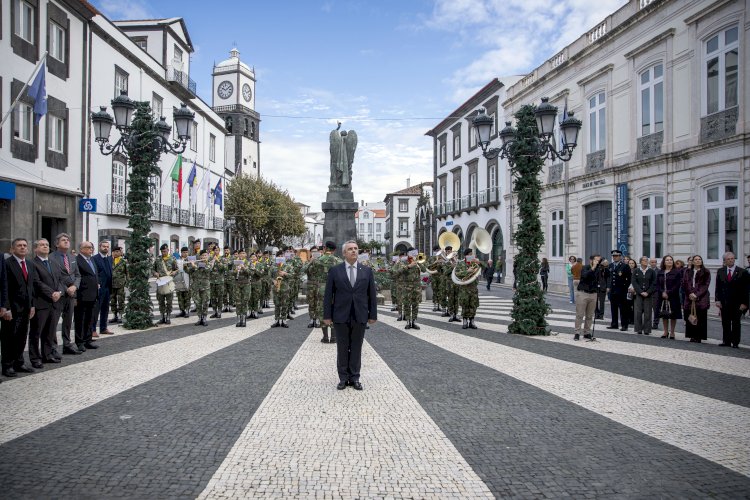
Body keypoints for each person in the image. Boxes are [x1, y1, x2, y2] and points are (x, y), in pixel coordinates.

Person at [323, 240, 377, 391]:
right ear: (344, 253)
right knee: (342, 347)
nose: (354, 251)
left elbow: (371, 294)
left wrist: (372, 315)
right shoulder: (335, 270)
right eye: (350, 249)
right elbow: (328, 295)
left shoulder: (366, 271)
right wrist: (327, 315)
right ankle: (343, 378)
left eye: (355, 248)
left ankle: (355, 377)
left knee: (356, 347)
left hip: (359, 315)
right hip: (340, 315)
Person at [1, 238, 37, 377]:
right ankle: (7, 365)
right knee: (8, 337)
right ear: (12, 249)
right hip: (12, 308)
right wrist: (6, 307)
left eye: (24, 245)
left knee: (22, 337)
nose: (22, 248)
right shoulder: (6, 264)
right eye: (19, 246)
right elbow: (5, 287)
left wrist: (32, 305)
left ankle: (19, 362)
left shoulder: (29, 264)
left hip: (26, 307)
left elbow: (31, 286)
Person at [29, 239, 65, 367]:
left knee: (50, 331)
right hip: (41, 302)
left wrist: (59, 292)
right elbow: (36, 282)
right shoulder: (32, 263)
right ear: (35, 249)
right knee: (36, 332)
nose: (45, 246)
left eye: (47, 245)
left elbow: (61, 280)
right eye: (42, 245)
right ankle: (35, 358)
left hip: (55, 303)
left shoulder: (54, 262)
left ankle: (47, 354)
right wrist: (52, 293)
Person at [52, 233, 82, 355]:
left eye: (68, 240)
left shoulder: (72, 257)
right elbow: (55, 277)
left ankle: (67, 344)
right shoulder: (51, 258)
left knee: (68, 321)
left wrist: (75, 286)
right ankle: (53, 347)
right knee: (53, 322)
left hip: (71, 294)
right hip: (59, 294)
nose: (66, 242)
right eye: (63, 240)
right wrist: (65, 289)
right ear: (57, 243)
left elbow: (77, 275)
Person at [714, 251, 748, 348]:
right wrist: (717, 300)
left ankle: (735, 342)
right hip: (724, 302)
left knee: (736, 322)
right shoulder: (721, 271)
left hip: (737, 302)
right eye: (728, 259)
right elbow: (718, 287)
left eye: (732, 258)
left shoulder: (742, 272)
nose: (731, 260)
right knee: (725, 322)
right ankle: (726, 341)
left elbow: (746, 289)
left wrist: (745, 303)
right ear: (725, 261)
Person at [74, 242, 100, 351]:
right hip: (82, 294)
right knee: (80, 319)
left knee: (90, 318)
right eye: (88, 248)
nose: (91, 249)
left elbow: (94, 274)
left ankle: (88, 339)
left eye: (92, 247)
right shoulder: (77, 260)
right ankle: (80, 342)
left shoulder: (91, 260)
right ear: (81, 249)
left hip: (93, 294)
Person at [682, 255, 710, 343]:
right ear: (693, 261)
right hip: (689, 297)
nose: (698, 261)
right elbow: (685, 283)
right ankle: (692, 335)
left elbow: (705, 285)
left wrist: (696, 294)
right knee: (690, 316)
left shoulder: (706, 272)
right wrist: (690, 293)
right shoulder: (687, 271)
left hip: (701, 298)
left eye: (699, 259)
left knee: (700, 316)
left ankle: (699, 336)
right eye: (696, 259)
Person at [574, 254, 601, 341]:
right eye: (596, 260)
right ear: (591, 260)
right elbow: (585, 276)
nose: (598, 262)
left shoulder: (599, 269)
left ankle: (587, 332)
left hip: (593, 294)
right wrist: (593, 268)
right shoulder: (585, 267)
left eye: (599, 260)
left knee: (589, 315)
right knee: (580, 314)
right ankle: (577, 332)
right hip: (583, 293)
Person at [656, 255, 683, 339]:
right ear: (664, 262)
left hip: (673, 296)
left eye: (671, 260)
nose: (669, 261)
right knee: (664, 314)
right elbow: (657, 284)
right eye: (667, 260)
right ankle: (665, 331)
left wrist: (668, 292)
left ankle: (672, 332)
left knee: (673, 315)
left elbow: (677, 284)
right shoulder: (660, 272)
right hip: (662, 296)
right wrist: (662, 292)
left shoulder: (677, 272)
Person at [91, 240, 114, 337]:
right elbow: (94, 272)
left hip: (108, 287)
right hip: (99, 287)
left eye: (107, 246)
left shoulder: (109, 258)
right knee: (96, 309)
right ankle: (92, 329)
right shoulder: (95, 258)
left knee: (105, 308)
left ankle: (103, 328)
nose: (105, 248)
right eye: (104, 246)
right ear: (100, 247)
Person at [455, 248, 482, 329]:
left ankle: (472, 321)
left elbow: (485, 266)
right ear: (465, 255)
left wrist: (479, 262)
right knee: (465, 304)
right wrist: (468, 271)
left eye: (472, 254)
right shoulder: (460, 264)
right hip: (464, 288)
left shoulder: (475, 263)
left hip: (473, 287)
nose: (471, 255)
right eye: (469, 254)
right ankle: (465, 320)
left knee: (473, 305)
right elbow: (457, 274)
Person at [630, 256, 657, 335]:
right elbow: (634, 282)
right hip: (639, 294)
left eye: (646, 260)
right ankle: (638, 329)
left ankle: (647, 329)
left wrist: (648, 292)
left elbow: (654, 283)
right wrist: (640, 291)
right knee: (638, 312)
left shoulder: (651, 271)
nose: (646, 261)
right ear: (641, 262)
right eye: (644, 260)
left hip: (648, 294)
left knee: (648, 312)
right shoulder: (636, 271)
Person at [153, 243, 178, 324]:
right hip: (160, 283)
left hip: (169, 283)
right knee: (160, 301)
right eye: (162, 251)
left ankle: (168, 316)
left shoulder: (173, 258)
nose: (164, 253)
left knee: (169, 301)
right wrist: (155, 273)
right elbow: (152, 269)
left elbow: (177, 269)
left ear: (168, 250)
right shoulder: (157, 259)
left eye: (165, 251)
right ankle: (162, 317)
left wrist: (174, 272)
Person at [607, 250, 631, 331]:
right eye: (613, 256)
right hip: (612, 290)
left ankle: (624, 325)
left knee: (623, 308)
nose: (615, 257)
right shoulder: (610, 265)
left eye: (616, 256)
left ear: (620, 256)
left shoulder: (625, 266)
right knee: (613, 308)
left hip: (621, 290)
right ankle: (614, 324)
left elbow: (629, 279)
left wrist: (625, 288)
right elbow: (608, 278)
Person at [185, 250, 211, 326]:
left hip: (205, 287)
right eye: (202, 256)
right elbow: (189, 272)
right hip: (196, 287)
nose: (204, 257)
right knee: (198, 303)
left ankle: (205, 318)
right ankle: (200, 318)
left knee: (205, 303)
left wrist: (195, 266)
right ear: (200, 257)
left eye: (205, 255)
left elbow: (208, 270)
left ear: (208, 256)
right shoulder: (196, 263)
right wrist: (185, 265)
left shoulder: (209, 264)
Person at [174, 247, 191, 318]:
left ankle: (187, 311)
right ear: (181, 253)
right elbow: (174, 269)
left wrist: (186, 267)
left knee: (187, 297)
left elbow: (192, 270)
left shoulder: (190, 260)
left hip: (187, 280)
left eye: (186, 252)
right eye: (184, 252)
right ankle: (182, 311)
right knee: (180, 296)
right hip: (179, 280)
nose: (185, 253)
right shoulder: (177, 260)